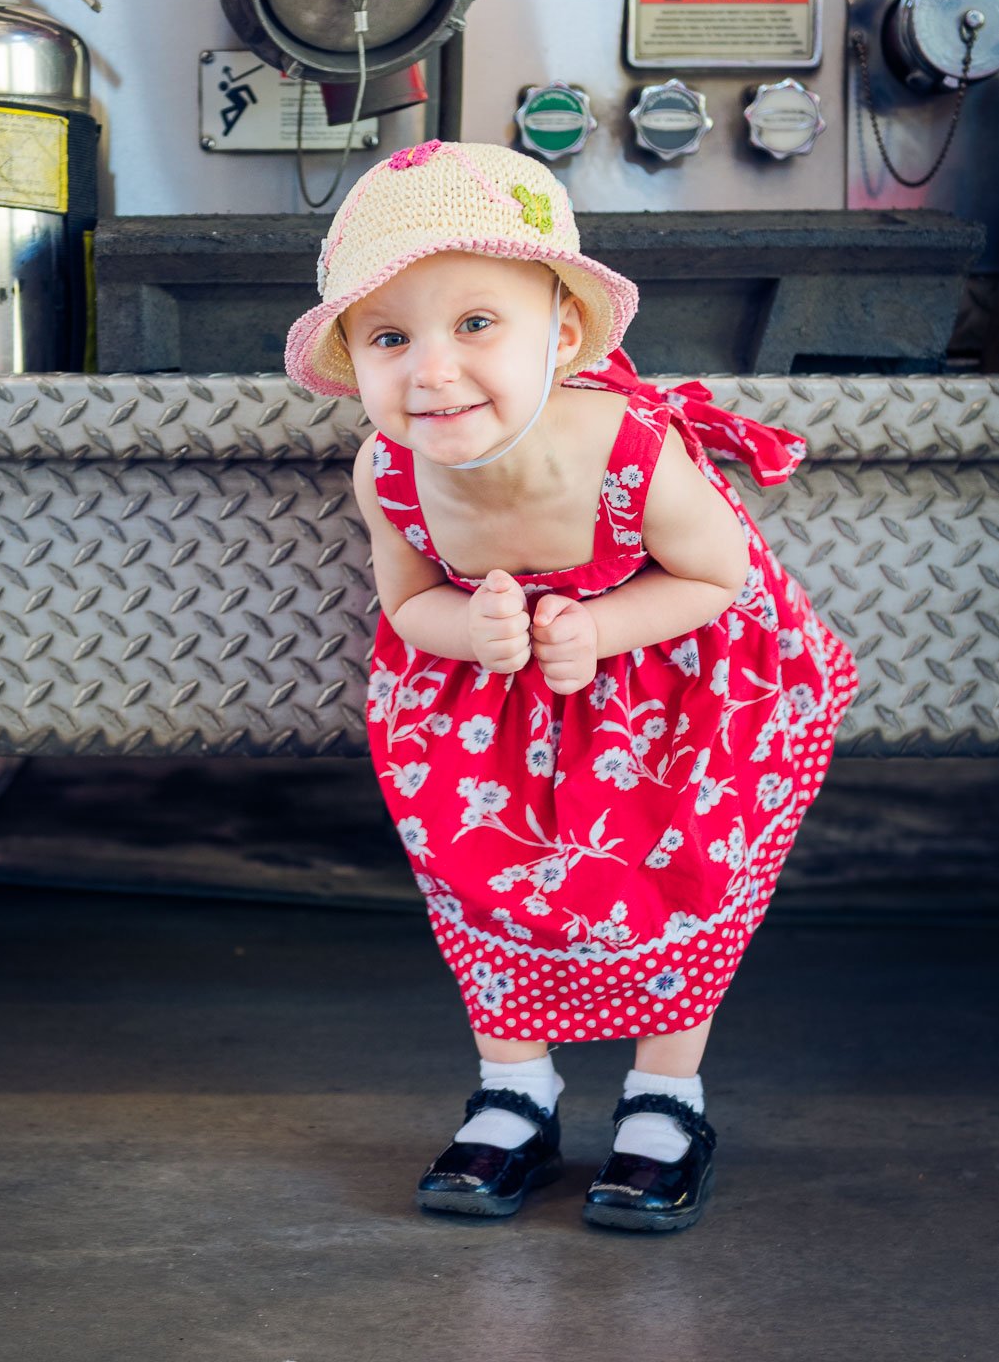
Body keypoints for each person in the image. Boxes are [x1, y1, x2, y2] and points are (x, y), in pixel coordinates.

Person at [285, 140, 858, 1233]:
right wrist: (475, 628)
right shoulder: (385, 470)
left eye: (477, 325)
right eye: (390, 337)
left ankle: (664, 1100)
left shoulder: (628, 447)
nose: (433, 371)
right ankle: (516, 1089)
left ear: (565, 332)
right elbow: (408, 603)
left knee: (678, 872)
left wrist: (599, 623)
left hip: (680, 685)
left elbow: (715, 574)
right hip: (494, 703)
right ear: (352, 358)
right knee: (484, 875)